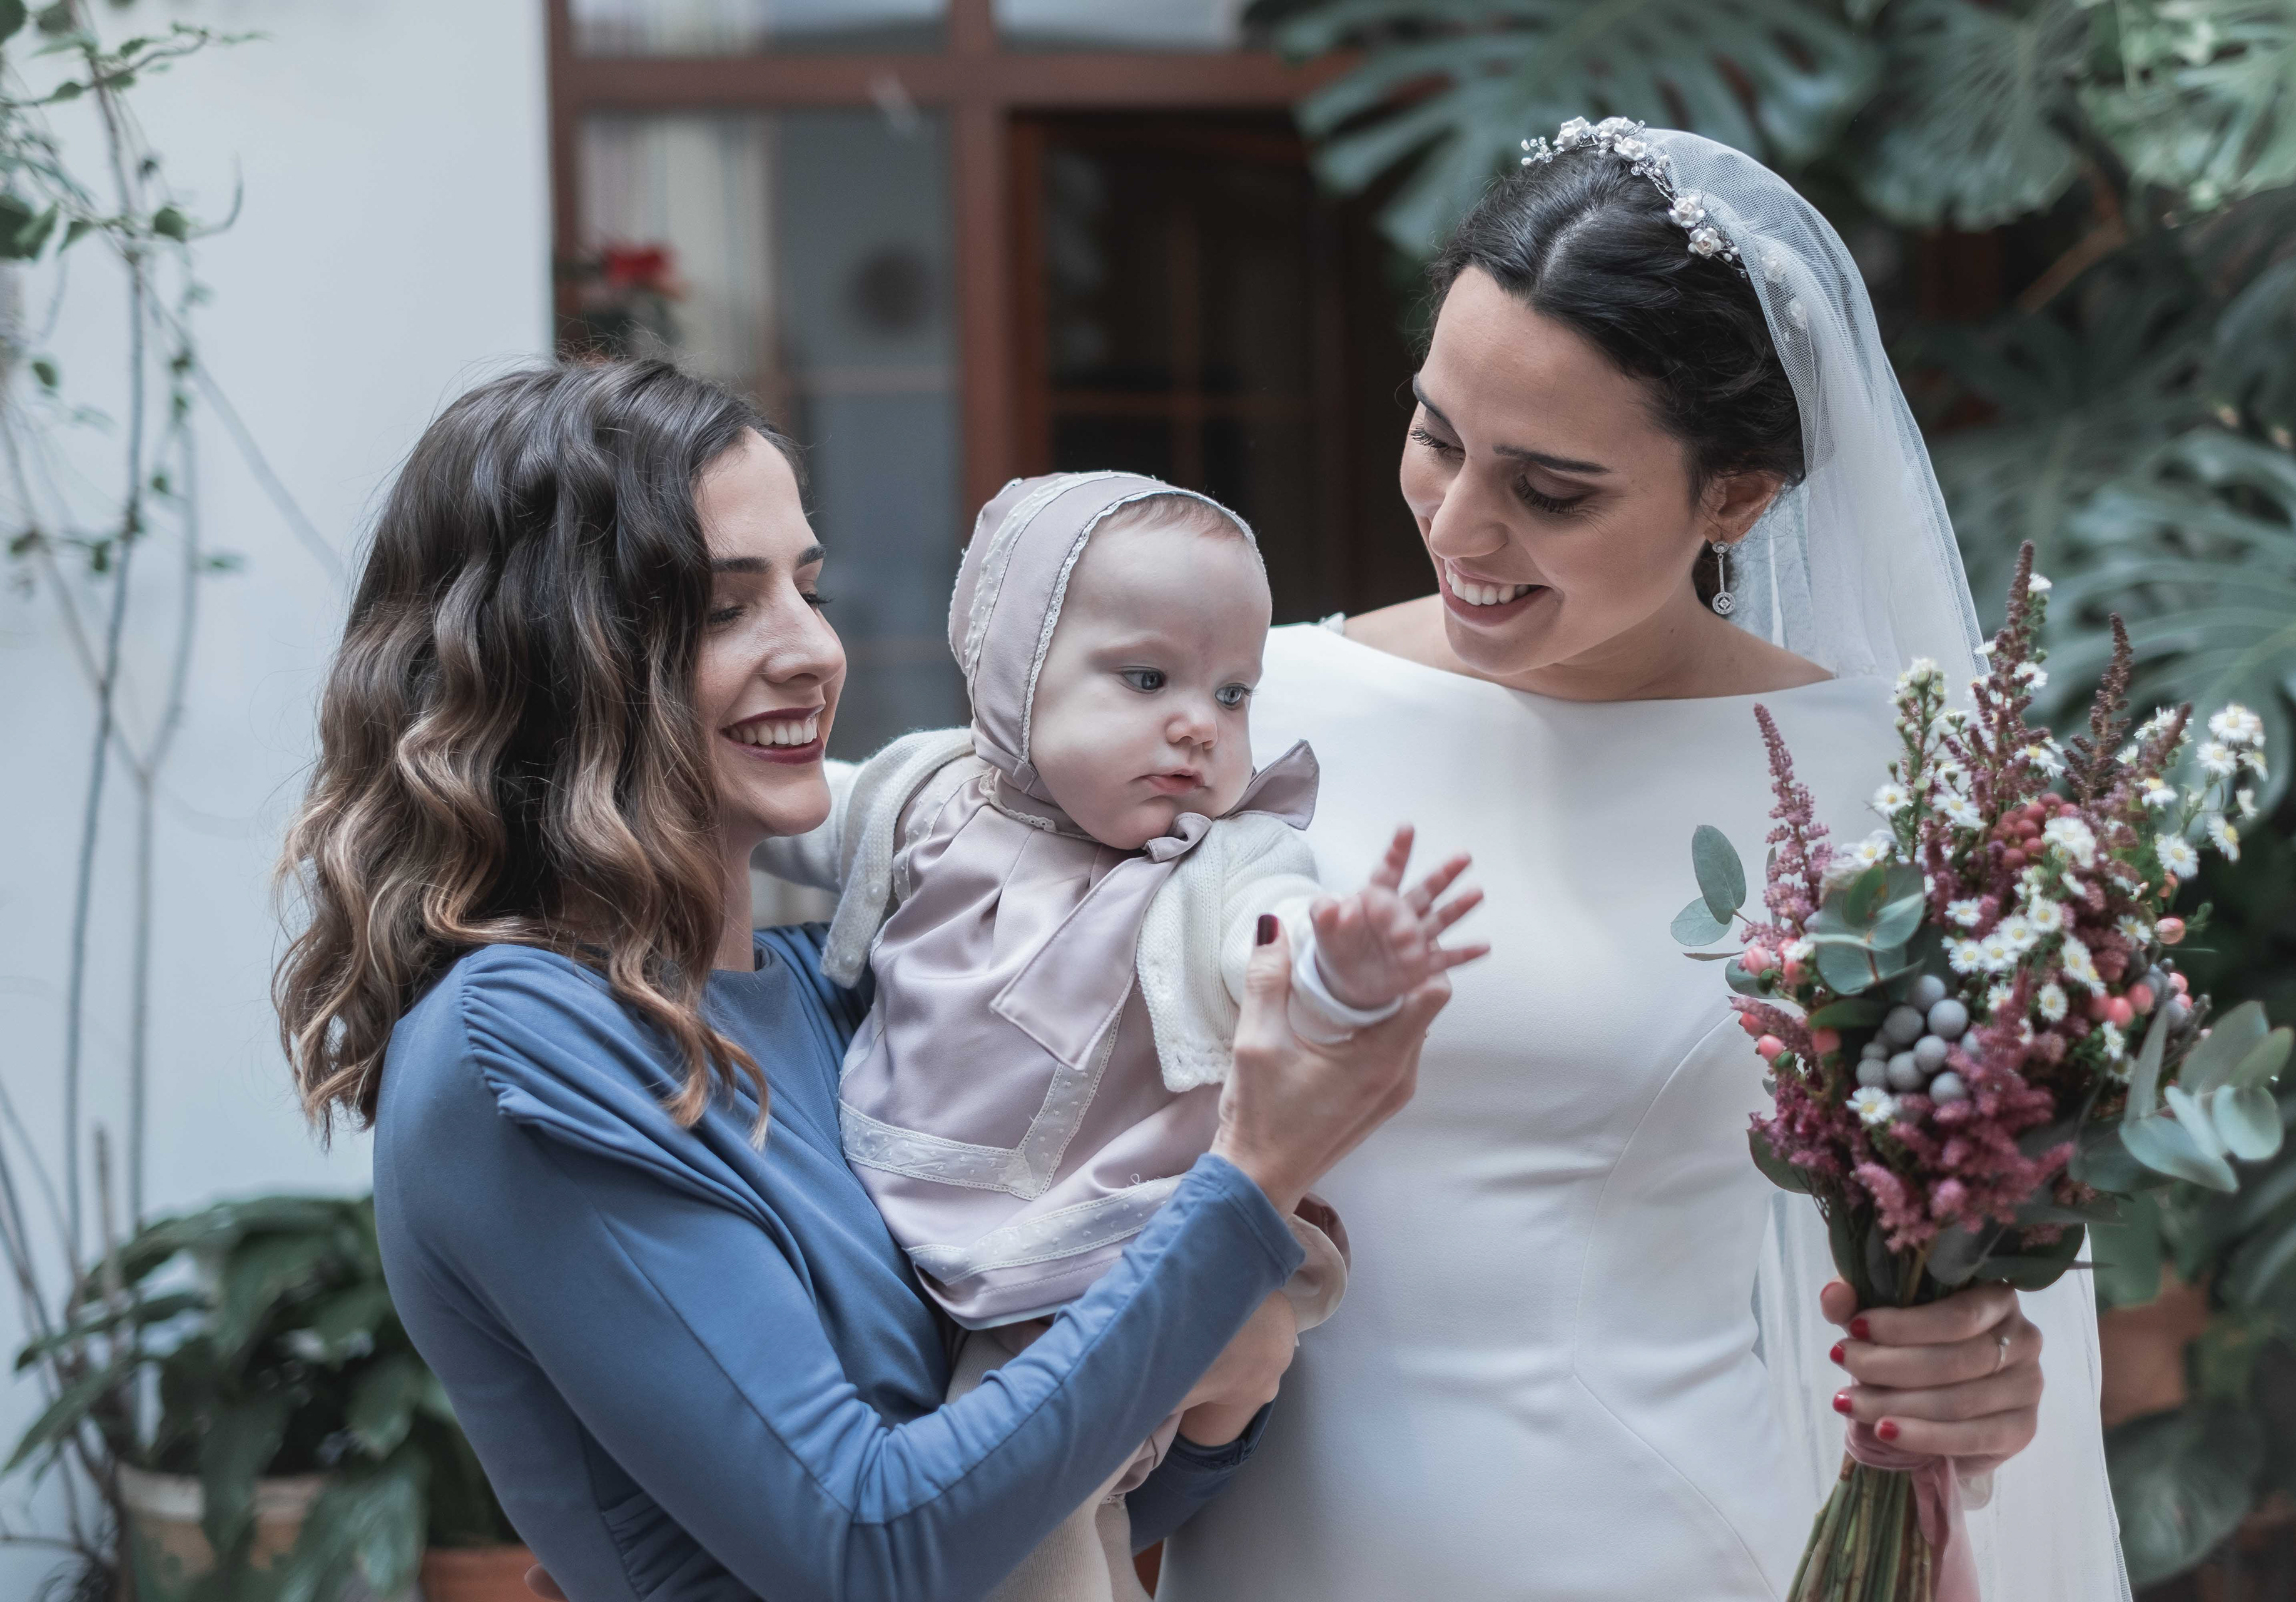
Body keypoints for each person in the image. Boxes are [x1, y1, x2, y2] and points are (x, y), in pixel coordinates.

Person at [272, 360, 1450, 1602]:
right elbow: (872, 1548)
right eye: (725, 609)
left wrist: (1227, 1387)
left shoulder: (852, 990)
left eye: (810, 588)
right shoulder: (522, 1040)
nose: (813, 650)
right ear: (553, 661)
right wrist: (1244, 1189)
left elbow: (1046, 1499)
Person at [1158, 124, 2132, 1601]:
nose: (1460, 526)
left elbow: (1954, 1236)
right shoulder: (1248, 712)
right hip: (1271, 1546)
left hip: (1662, 1541)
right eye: (1437, 434)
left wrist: (1974, 1365)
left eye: (1552, 489)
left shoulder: (1877, 778)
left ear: (1735, 497)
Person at [753, 470, 1485, 1601]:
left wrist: (1342, 966)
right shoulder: (929, 799)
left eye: (1233, 693)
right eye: (1147, 679)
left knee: (1033, 1504)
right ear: (1014, 672)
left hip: (1095, 1253)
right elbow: (779, 824)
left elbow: (1269, 940)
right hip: (908, 1229)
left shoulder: (1226, 859)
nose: (1198, 724)